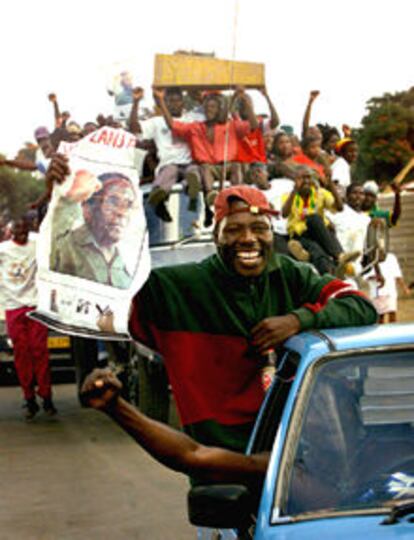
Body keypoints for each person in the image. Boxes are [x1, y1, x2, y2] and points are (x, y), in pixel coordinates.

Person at [47, 155, 377, 459]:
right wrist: (64, 201)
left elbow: (361, 307)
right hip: (222, 466)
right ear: (216, 237)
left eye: (259, 228)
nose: (248, 238)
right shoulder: (177, 288)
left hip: (296, 462)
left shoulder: (291, 275)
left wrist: (296, 320)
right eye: (234, 229)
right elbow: (81, 283)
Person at [153, 87, 258, 226]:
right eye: (207, 107)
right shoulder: (195, 127)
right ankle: (210, 197)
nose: (209, 110)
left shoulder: (231, 126)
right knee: (204, 167)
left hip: (227, 167)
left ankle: (235, 197)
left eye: (213, 107)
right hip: (208, 169)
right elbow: (172, 125)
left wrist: (248, 104)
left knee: (236, 165)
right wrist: (161, 101)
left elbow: (254, 126)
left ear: (220, 109)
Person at [0, 217, 57, 419]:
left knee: (40, 351)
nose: (22, 235)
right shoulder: (3, 250)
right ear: (10, 233)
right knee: (21, 353)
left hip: (35, 306)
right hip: (13, 307)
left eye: (25, 231)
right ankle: (29, 397)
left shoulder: (38, 242)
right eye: (18, 232)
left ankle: (46, 396)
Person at [51, 172, 137, 289]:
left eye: (129, 205)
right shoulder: (64, 246)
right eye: (112, 201)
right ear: (87, 208)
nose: (121, 212)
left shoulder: (125, 262)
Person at [129, 87, 201, 222]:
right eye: (170, 101)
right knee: (168, 173)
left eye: (177, 100)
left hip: (189, 162)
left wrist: (199, 97)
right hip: (168, 163)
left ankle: (191, 193)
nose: (174, 104)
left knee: (193, 173)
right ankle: (159, 198)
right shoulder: (157, 121)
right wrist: (136, 102)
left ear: (183, 102)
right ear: (165, 103)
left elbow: (216, 117)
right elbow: (135, 129)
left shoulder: (192, 119)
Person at [282, 167, 359, 275]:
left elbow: (339, 208)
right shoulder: (289, 196)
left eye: (308, 177)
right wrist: (295, 190)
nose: (306, 181)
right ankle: (335, 266)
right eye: (302, 178)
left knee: (315, 222)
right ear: (295, 180)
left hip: (320, 232)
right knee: (316, 248)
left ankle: (331, 260)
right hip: (301, 235)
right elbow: (284, 214)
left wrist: (330, 185)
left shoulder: (320, 193)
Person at [366, 252, 411, 323]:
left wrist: (404, 287)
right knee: (380, 318)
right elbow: (366, 275)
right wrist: (376, 277)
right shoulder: (368, 259)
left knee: (392, 314)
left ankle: (393, 332)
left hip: (390, 291)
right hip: (377, 293)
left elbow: (397, 274)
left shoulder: (391, 258)